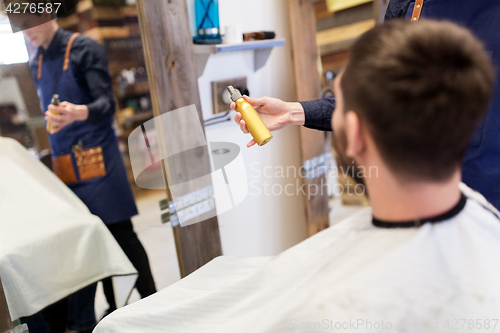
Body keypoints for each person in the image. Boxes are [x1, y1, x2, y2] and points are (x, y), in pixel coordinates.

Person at [95, 19, 500, 333]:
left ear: (355, 132)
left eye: (337, 104)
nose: (332, 111)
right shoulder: (484, 222)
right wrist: (296, 111)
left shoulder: (332, 311)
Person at [233, 1, 500, 214]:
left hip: (483, 202)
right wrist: (292, 112)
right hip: (405, 202)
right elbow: (377, 94)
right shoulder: (403, 5)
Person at [7, 5, 156, 332]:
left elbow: (106, 105)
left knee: (121, 233)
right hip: (65, 163)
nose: (28, 35)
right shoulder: (38, 60)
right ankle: (111, 310)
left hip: (98, 162)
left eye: (31, 27)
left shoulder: (83, 48)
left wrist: (78, 113)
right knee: (87, 241)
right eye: (22, 30)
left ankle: (153, 300)